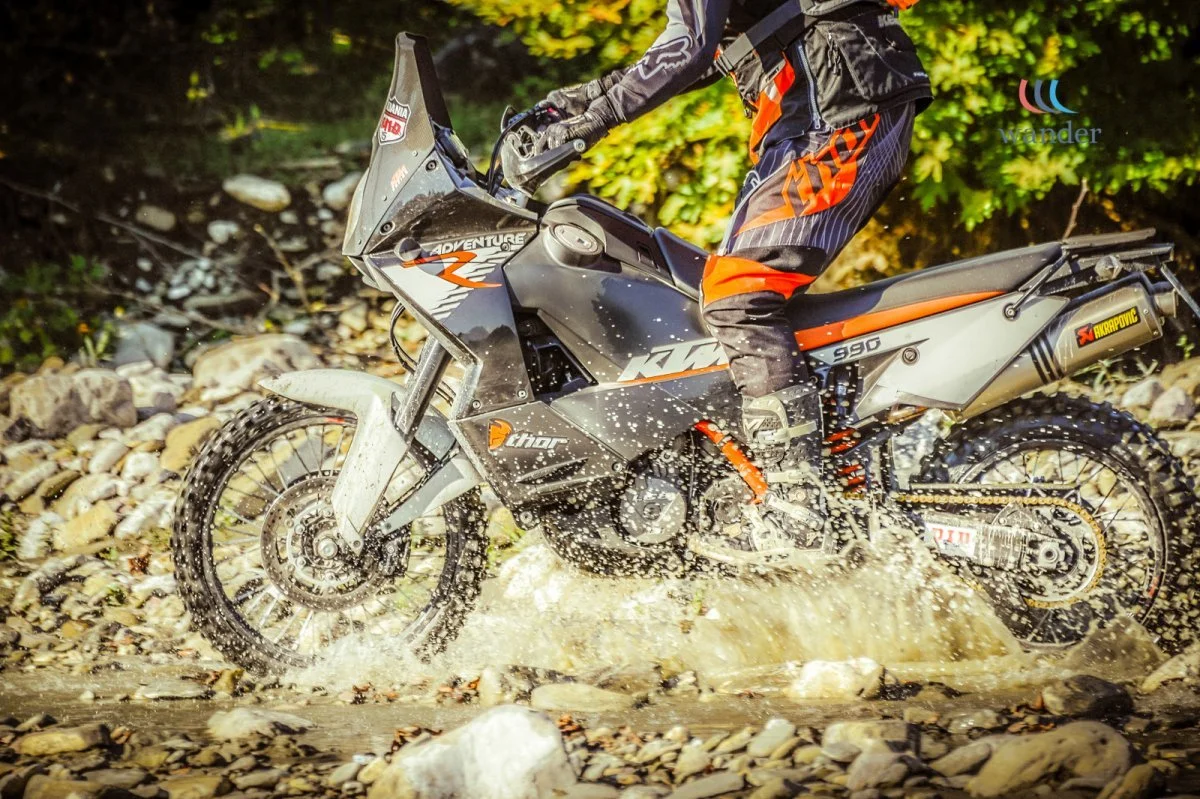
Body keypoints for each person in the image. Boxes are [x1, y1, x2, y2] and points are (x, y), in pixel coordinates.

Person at [534, 0, 932, 496]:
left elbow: (690, 49)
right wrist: (581, 102)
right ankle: (840, 480)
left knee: (738, 296)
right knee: (724, 295)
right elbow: (710, 50)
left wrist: (590, 122)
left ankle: (798, 499)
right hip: (819, 107)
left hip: (835, 106)